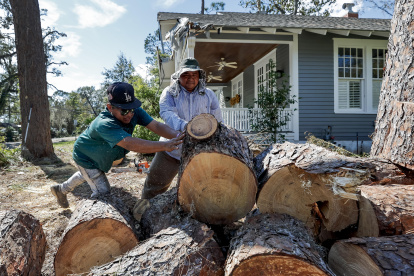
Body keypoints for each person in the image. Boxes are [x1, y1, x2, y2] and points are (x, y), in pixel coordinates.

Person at [50, 82, 183, 208]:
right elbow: (131, 144)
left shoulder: (133, 110)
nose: (129, 114)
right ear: (110, 108)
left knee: (85, 175)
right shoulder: (104, 123)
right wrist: (165, 145)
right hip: (86, 157)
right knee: (103, 193)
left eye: (132, 109)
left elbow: (156, 125)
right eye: (124, 111)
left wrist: (178, 136)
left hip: (101, 156)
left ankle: (61, 190)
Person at [133, 57, 222, 220]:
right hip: (171, 148)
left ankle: (198, 220)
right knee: (155, 185)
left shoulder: (208, 95)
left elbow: (217, 118)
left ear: (199, 76)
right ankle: (142, 216)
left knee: (198, 189)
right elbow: (167, 114)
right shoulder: (170, 93)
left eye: (194, 74)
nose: (190, 78)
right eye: (186, 74)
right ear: (179, 76)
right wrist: (187, 127)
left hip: (199, 152)